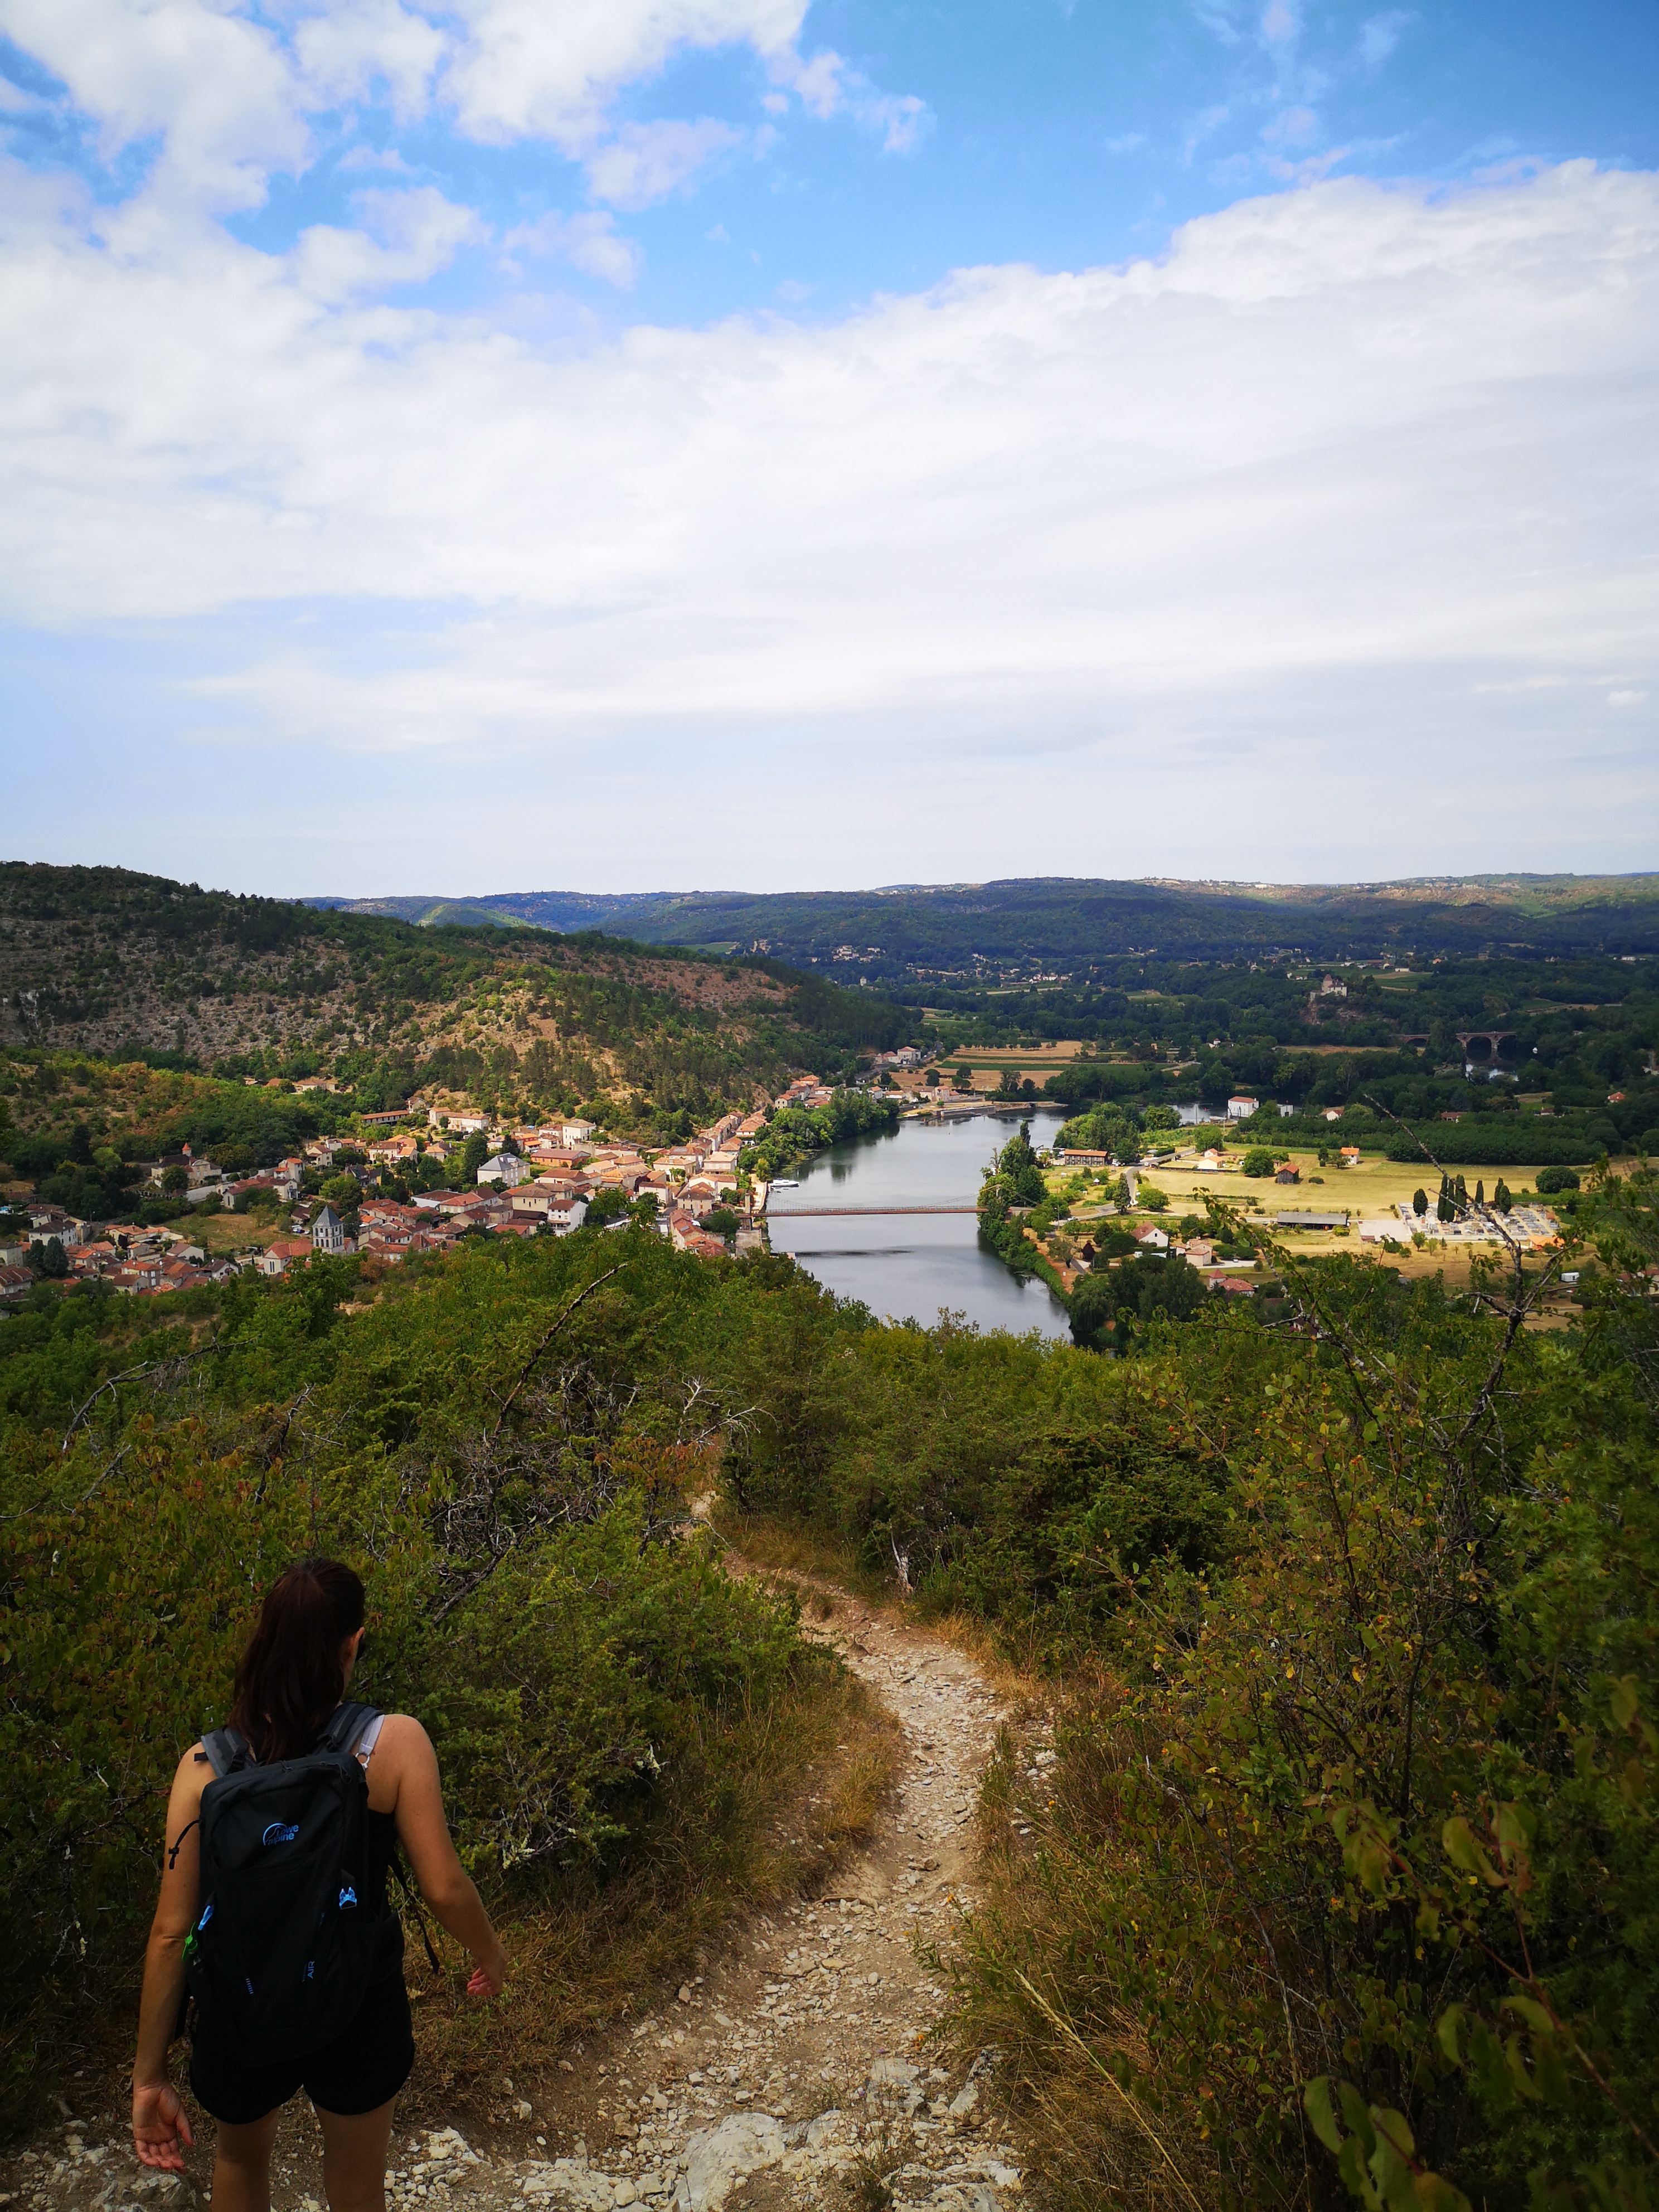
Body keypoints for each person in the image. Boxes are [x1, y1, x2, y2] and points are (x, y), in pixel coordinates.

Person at [130, 1558, 508, 2211]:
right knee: (357, 2176)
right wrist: (488, 1952)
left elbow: (171, 1932)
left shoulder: (202, 1769)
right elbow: (443, 1885)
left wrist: (148, 2077)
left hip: (242, 2005)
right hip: (356, 2001)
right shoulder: (394, 1743)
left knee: (241, 2157)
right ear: (352, 1643)